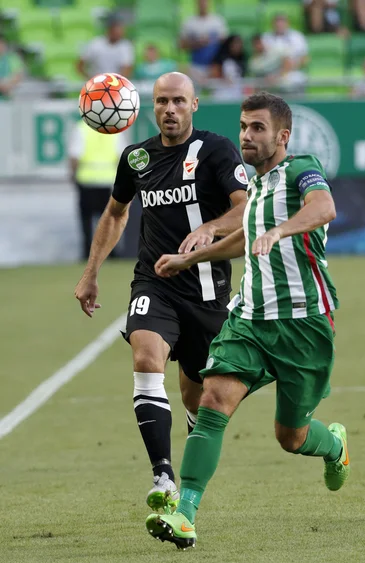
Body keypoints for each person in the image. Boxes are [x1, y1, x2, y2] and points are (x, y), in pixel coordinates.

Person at [145, 92, 350, 549]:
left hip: (304, 324)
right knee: (213, 401)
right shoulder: (255, 187)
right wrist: (186, 260)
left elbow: (324, 208)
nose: (247, 136)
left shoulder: (302, 169)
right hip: (250, 320)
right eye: (243, 126)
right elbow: (244, 237)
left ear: (282, 135)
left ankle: (334, 447)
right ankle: (185, 514)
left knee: (291, 436)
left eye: (258, 128)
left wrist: (281, 230)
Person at [74, 72, 248, 512]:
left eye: (178, 101)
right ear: (150, 107)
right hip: (154, 283)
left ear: (194, 105)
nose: (169, 109)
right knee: (146, 358)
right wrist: (91, 272)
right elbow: (116, 213)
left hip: (208, 293)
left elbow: (244, 208)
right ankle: (163, 476)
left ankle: (191, 461)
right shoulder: (136, 158)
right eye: (161, 102)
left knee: (197, 395)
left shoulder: (215, 150)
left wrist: (210, 228)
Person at [68, 120, 128, 259]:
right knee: (110, 220)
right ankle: (111, 253)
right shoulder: (114, 129)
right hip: (108, 182)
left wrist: (73, 174)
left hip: (86, 180)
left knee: (87, 220)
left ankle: (87, 253)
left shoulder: (82, 128)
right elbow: (122, 156)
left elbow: (75, 156)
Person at [77, 13, 134, 80]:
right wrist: (90, 79)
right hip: (96, 84)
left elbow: (127, 68)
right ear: (110, 29)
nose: (121, 31)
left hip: (116, 85)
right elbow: (80, 65)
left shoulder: (126, 46)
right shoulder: (95, 43)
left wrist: (117, 82)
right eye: (118, 28)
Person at [180, 0, 228, 79]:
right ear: (196, 4)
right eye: (200, 2)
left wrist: (211, 40)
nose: (203, 4)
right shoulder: (189, 22)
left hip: (214, 66)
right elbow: (181, 44)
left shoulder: (217, 21)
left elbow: (225, 42)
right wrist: (197, 43)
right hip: (196, 65)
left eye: (205, 2)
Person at [262, 14, 308, 92]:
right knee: (263, 81)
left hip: (293, 72)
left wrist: (284, 71)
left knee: (296, 80)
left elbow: (304, 59)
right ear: (272, 24)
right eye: (277, 22)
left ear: (287, 23)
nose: (280, 25)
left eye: (282, 22)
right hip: (271, 72)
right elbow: (263, 59)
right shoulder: (266, 38)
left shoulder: (297, 37)